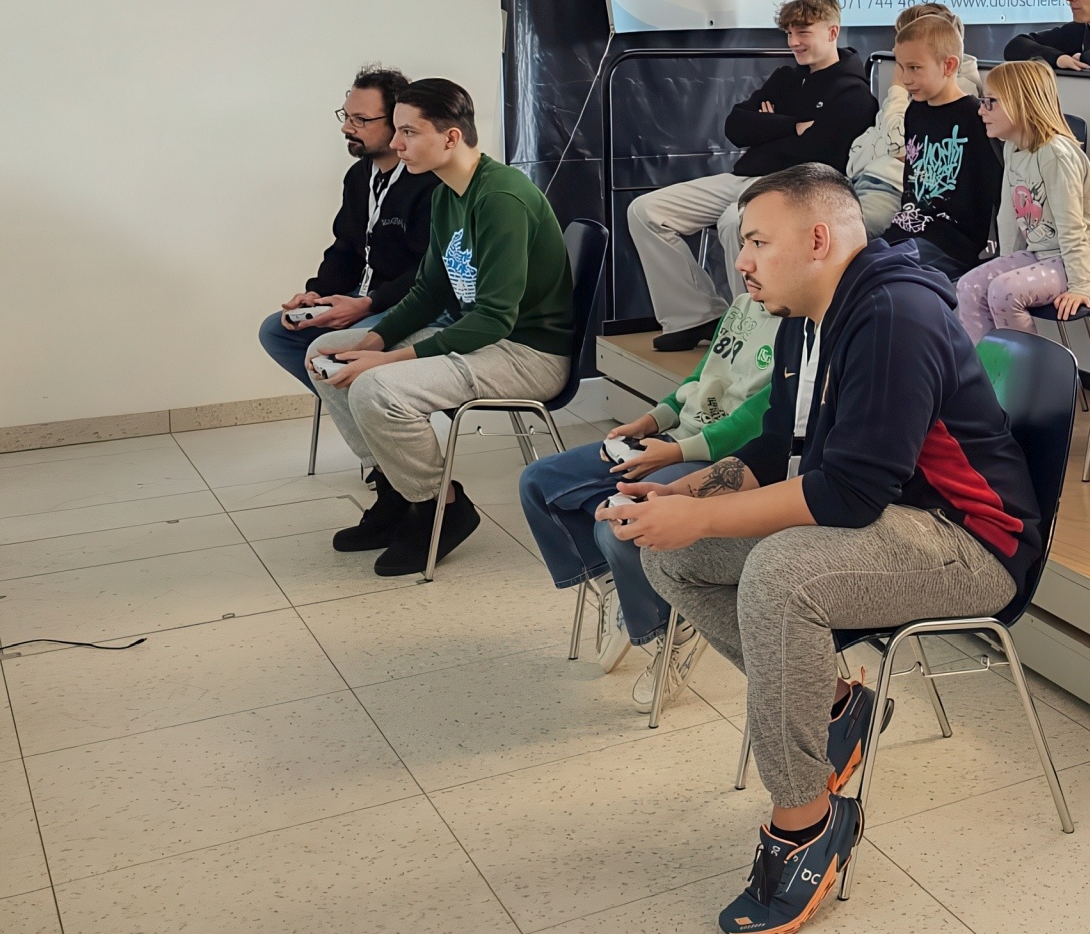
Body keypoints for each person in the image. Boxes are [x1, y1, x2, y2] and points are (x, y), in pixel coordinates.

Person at [607, 163, 1042, 934]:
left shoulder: (896, 314)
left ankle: (807, 825)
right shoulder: (804, 318)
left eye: (756, 242)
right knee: (672, 557)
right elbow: (777, 449)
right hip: (890, 521)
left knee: (781, 575)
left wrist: (704, 516)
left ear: (817, 240)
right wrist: (678, 497)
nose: (741, 261)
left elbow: (848, 493)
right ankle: (839, 708)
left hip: (969, 542)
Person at [310, 79, 577, 577]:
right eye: (397, 130)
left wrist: (385, 361)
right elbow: (429, 291)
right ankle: (397, 490)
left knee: (376, 387)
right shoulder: (446, 195)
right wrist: (369, 342)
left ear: (451, 137)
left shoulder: (501, 198)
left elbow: (496, 317)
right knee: (325, 352)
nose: (396, 143)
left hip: (527, 353)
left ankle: (441, 506)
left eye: (409, 132)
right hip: (483, 338)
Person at [515, 290, 779, 705]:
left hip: (713, 457)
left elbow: (754, 423)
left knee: (621, 526)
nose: (745, 263)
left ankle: (675, 628)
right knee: (538, 482)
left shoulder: (801, 327)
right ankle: (616, 583)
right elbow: (697, 381)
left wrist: (673, 453)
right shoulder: (743, 303)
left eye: (757, 253)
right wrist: (648, 423)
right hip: (673, 439)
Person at [627, 0, 877, 352]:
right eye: (789, 33)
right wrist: (791, 125)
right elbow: (735, 126)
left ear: (832, 32)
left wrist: (767, 127)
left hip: (792, 189)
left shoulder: (854, 95)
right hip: (746, 178)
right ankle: (696, 316)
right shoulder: (787, 78)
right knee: (646, 211)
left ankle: (750, 333)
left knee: (735, 222)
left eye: (803, 32)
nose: (793, 42)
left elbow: (819, 153)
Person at [258, 66, 437, 385]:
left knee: (331, 348)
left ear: (398, 122)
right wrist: (316, 294)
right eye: (346, 116)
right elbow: (345, 249)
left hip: (406, 303)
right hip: (363, 296)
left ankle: (365, 403)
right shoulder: (358, 176)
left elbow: (430, 270)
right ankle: (351, 403)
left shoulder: (429, 182)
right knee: (276, 331)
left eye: (361, 120)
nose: (346, 128)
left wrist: (367, 305)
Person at [958, 59, 1090, 342]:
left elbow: (1072, 226)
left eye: (991, 102)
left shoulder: (1055, 154)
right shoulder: (1011, 149)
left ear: (1021, 104)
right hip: (1045, 256)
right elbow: (1009, 218)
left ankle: (1022, 369)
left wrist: (1080, 287)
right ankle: (986, 369)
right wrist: (1006, 264)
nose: (981, 110)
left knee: (1004, 292)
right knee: (969, 286)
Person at [878, 7, 1001, 279]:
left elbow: (993, 189)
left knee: (886, 272)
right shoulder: (914, 110)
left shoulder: (976, 117)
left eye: (914, 68)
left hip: (952, 244)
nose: (905, 79)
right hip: (907, 230)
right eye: (901, 68)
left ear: (949, 66)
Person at [845, 3, 979, 235]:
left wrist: (897, 90)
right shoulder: (917, 101)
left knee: (842, 234)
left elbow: (898, 145)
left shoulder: (961, 102)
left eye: (913, 65)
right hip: (863, 179)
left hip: (894, 192)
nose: (905, 75)